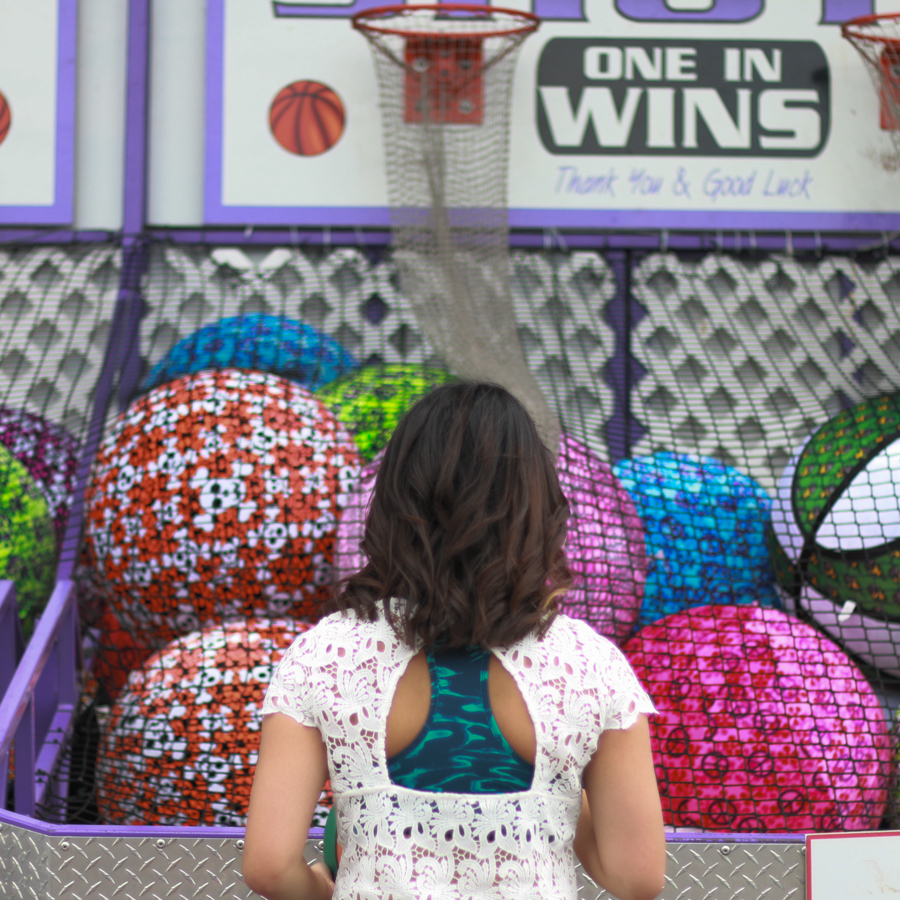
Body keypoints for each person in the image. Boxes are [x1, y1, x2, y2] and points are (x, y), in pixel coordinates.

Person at [243, 382, 666, 900]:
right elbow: (637, 877)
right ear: (536, 511)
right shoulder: (590, 663)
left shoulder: (325, 654)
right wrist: (557, 781)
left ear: (393, 501)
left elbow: (268, 865)